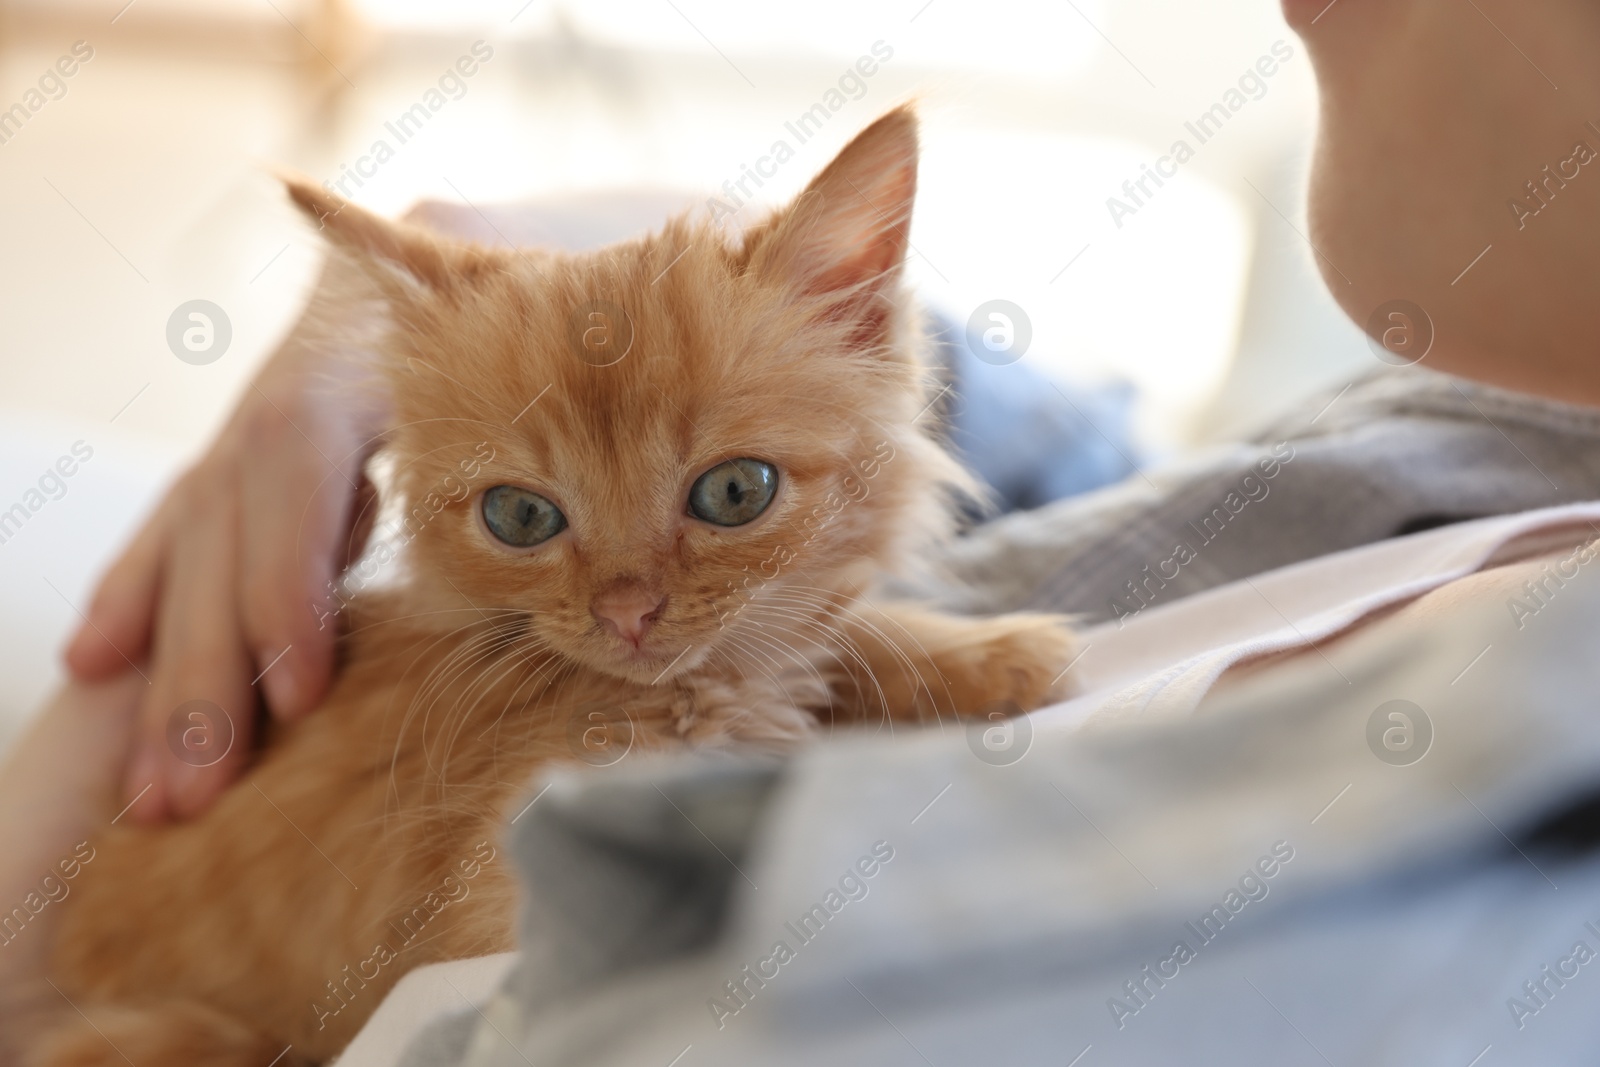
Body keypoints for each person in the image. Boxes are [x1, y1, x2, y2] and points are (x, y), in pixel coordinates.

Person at [6, 0, 1600, 1058]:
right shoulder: (1494, 442)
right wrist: (562, 279)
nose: (628, 607)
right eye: (523, 522)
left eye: (727, 505)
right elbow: (1040, 450)